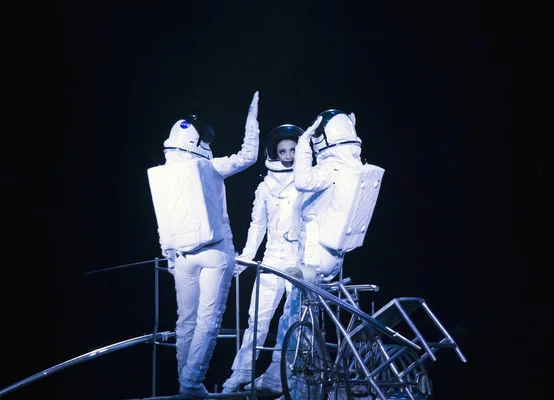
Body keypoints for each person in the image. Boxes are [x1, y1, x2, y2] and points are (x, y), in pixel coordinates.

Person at [244, 109, 385, 395]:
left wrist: (306, 141)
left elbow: (302, 181)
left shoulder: (329, 169)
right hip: (332, 257)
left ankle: (298, 389)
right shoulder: (355, 167)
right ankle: (280, 379)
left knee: (296, 322)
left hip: (313, 258)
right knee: (299, 321)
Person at [147, 91, 260, 399]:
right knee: (207, 321)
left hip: (180, 255)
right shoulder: (210, 167)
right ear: (199, 142)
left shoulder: (163, 173)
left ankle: (187, 384)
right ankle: (191, 383)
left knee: (186, 321)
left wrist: (169, 255)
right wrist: (252, 120)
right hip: (214, 252)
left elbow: (163, 218)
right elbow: (248, 156)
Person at [220, 124, 305, 394]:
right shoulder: (265, 187)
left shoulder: (309, 181)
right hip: (272, 257)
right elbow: (257, 225)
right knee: (257, 318)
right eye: (283, 151)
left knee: (291, 322)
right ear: (274, 153)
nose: (288, 156)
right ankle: (240, 373)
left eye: (293, 150)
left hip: (298, 260)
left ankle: (280, 376)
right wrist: (246, 257)